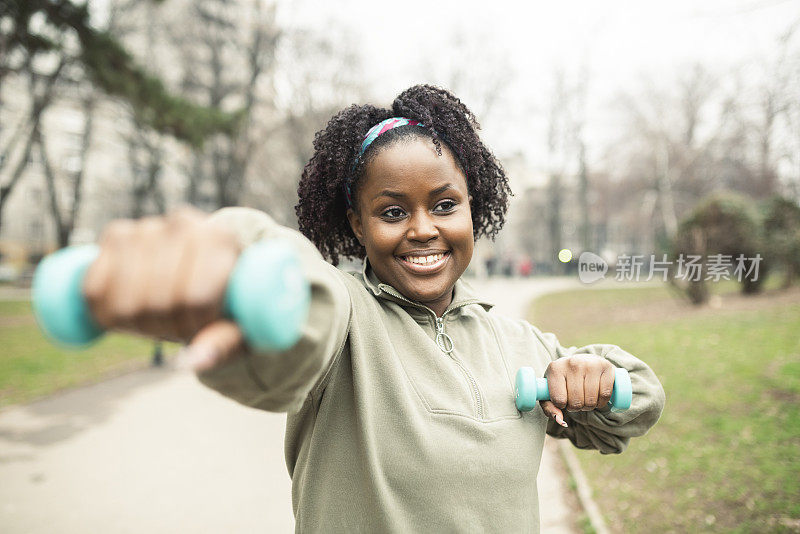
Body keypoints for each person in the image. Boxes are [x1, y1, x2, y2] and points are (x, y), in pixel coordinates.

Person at [83, 85, 665, 532]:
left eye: (444, 204)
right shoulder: (346, 319)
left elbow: (635, 405)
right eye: (391, 212)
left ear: (472, 208)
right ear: (356, 223)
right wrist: (239, 269)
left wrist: (600, 377)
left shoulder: (516, 342)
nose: (423, 230)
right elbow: (300, 314)